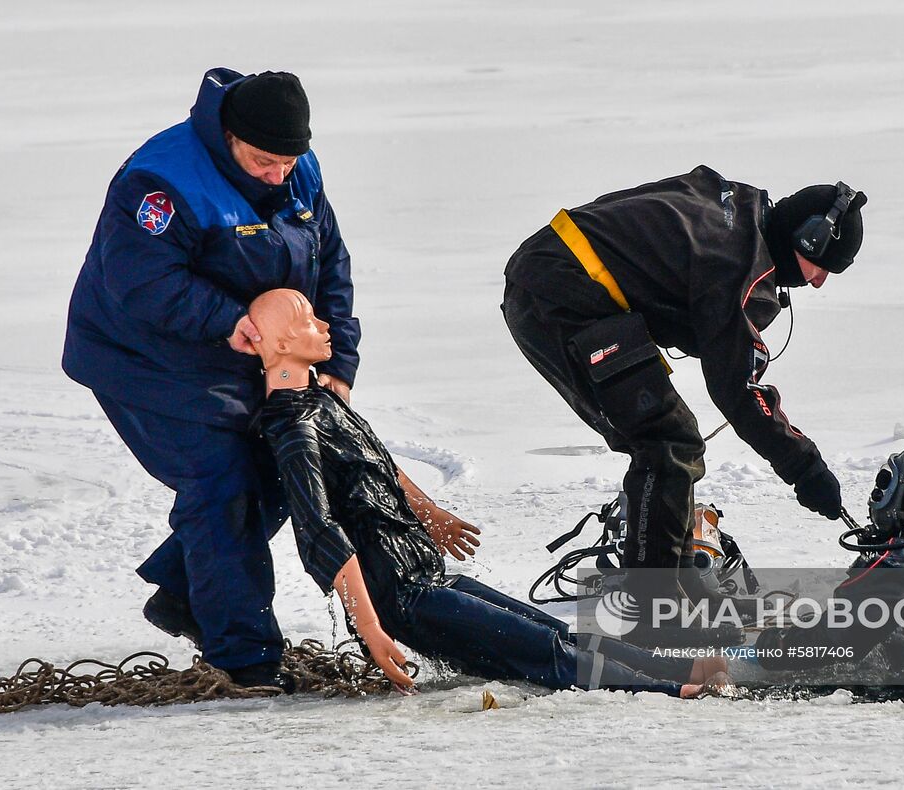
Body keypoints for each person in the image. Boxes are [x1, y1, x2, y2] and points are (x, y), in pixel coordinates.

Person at [249, 289, 729, 697]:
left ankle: (680, 670)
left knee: (554, 631)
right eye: (307, 320)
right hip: (402, 598)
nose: (323, 324)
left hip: (426, 575)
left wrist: (428, 511)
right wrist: (371, 628)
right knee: (543, 653)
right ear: (279, 342)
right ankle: (673, 692)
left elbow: (380, 462)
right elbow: (319, 532)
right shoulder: (294, 427)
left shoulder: (323, 402)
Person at [62, 68, 361, 687]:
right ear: (228, 137)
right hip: (145, 356)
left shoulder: (294, 167)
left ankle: (183, 590)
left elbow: (328, 263)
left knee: (291, 462)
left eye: (289, 160)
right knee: (222, 479)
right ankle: (244, 658)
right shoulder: (161, 182)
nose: (279, 174)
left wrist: (336, 362)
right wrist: (229, 323)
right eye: (263, 162)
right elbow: (143, 283)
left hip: (244, 348)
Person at [501, 166, 867, 644]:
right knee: (665, 441)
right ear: (809, 239)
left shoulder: (737, 216)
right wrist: (805, 467)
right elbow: (737, 390)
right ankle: (651, 614)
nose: (818, 283)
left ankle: (678, 587)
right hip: (561, 295)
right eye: (824, 268)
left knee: (671, 439)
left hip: (564, 279)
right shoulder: (735, 264)